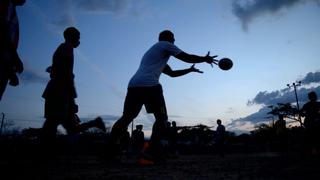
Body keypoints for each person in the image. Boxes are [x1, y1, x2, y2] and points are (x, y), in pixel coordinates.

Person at [109, 30, 217, 163]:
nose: (174, 42)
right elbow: (187, 57)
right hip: (150, 86)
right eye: (173, 39)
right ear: (169, 39)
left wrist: (189, 70)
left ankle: (108, 152)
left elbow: (172, 74)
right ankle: (149, 152)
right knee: (162, 118)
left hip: (133, 85)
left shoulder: (154, 54)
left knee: (127, 117)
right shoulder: (165, 44)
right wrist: (204, 59)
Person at [41, 27, 106, 141]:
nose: (79, 41)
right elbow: (66, 74)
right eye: (78, 37)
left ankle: (46, 152)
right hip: (59, 92)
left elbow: (62, 71)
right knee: (55, 124)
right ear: (71, 36)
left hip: (58, 91)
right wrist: (72, 99)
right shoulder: (67, 47)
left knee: (55, 124)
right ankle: (95, 122)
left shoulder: (64, 48)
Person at [0, 0, 25, 101]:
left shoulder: (11, 9)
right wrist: (15, 58)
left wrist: (10, 69)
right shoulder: (5, 4)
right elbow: (2, 32)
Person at [300, 91, 320, 156]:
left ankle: (312, 152)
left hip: (310, 123)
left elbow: (301, 113)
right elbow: (301, 113)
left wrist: (305, 114)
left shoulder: (307, 105)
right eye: (313, 96)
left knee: (311, 139)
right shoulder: (316, 104)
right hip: (312, 124)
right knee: (313, 138)